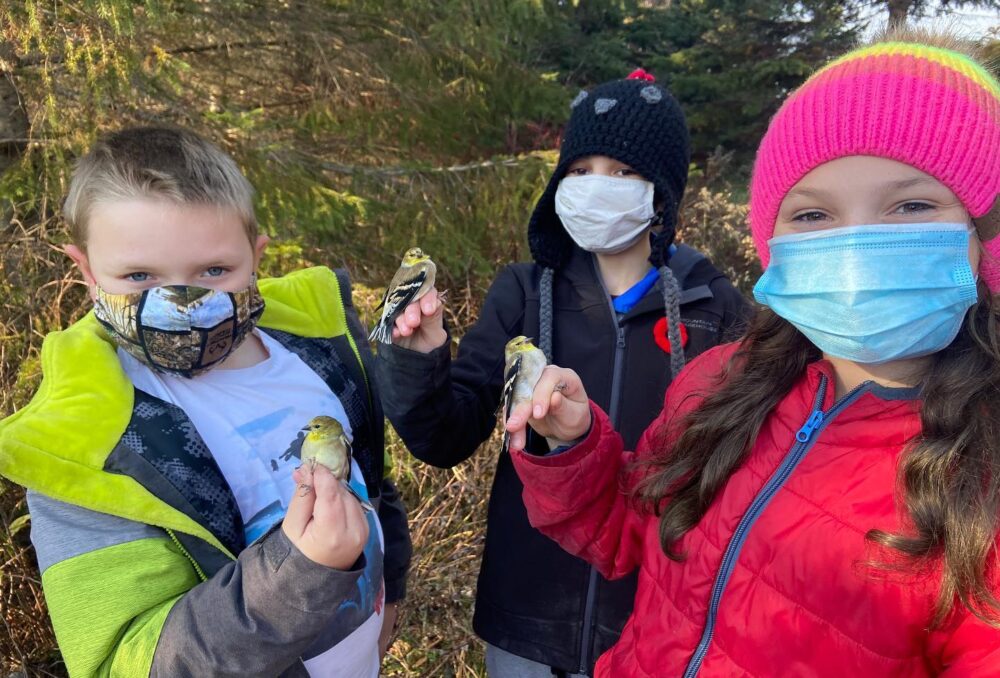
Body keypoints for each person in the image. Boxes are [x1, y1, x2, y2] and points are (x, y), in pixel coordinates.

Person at [505, 28, 1000, 676]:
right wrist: (572, 446)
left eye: (911, 205)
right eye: (813, 215)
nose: (853, 245)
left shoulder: (982, 479)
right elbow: (633, 529)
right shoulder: (723, 382)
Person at [0, 125, 411, 677]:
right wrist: (299, 572)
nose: (183, 303)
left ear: (255, 257)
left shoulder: (319, 351)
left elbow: (372, 483)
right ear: (88, 272)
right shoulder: (83, 446)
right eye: (140, 277)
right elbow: (127, 663)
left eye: (214, 272)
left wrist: (394, 591)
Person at [374, 70, 748, 676]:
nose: (596, 187)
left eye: (624, 172)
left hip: (656, 621)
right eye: (579, 171)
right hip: (526, 612)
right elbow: (444, 437)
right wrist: (418, 356)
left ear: (662, 191)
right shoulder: (523, 292)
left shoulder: (715, 308)